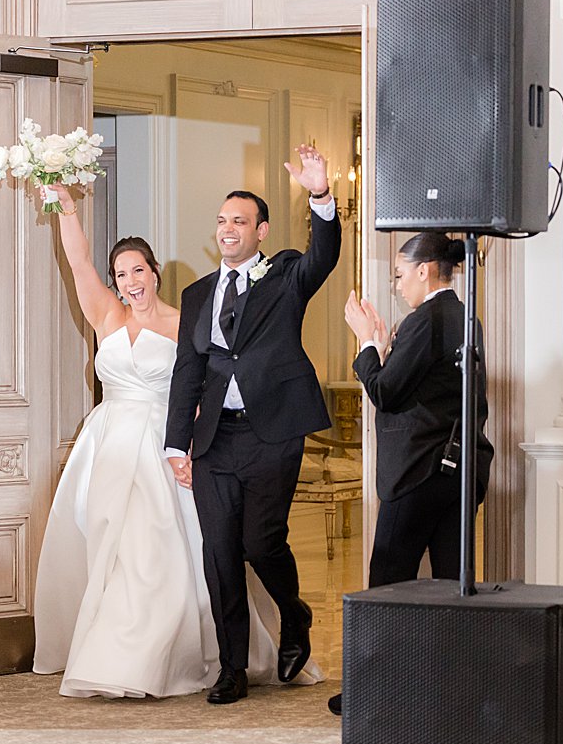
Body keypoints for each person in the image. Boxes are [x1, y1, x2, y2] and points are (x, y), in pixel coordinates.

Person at [31, 184, 318, 698]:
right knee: (115, 555)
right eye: (121, 274)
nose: (129, 281)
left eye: (138, 270)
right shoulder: (105, 316)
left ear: (154, 272)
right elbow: (77, 265)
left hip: (172, 448)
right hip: (113, 448)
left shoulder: (188, 315)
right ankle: (124, 657)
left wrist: (184, 443)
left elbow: (203, 379)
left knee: (179, 551)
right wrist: (67, 211)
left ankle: (189, 652)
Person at [164, 145, 342, 704]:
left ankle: (295, 613)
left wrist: (320, 195)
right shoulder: (196, 297)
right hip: (215, 439)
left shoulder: (285, 275)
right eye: (221, 220)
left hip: (274, 433)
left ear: (261, 230)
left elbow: (325, 255)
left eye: (239, 221)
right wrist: (176, 444)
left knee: (261, 542)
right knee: (219, 554)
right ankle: (232, 668)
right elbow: (186, 374)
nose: (227, 229)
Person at [329, 232, 494, 715]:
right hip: (457, 471)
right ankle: (459, 691)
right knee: (452, 585)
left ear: (425, 270)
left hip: (418, 473)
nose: (398, 285)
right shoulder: (467, 317)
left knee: (387, 583)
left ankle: (371, 693)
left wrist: (368, 345)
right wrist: (384, 347)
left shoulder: (426, 320)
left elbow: (385, 392)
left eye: (400, 275)